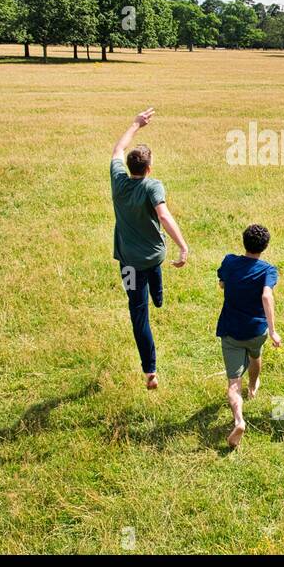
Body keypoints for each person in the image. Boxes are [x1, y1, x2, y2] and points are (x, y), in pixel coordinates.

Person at [110, 108, 190, 390]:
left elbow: (118, 148)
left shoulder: (118, 180)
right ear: (148, 169)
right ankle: (158, 295)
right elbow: (164, 216)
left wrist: (136, 124)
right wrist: (183, 246)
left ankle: (150, 371)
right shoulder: (152, 186)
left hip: (129, 264)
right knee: (154, 274)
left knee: (138, 312)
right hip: (154, 256)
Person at [216, 224, 281, 448]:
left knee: (233, 384)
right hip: (256, 331)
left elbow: (222, 283)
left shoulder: (229, 261)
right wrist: (272, 330)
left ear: (244, 242)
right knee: (255, 355)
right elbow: (266, 296)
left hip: (231, 330)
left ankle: (239, 420)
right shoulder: (268, 270)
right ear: (265, 246)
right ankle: (253, 385)